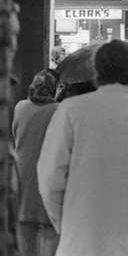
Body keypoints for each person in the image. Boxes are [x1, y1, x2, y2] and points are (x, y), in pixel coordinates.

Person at [37, 40, 128, 256]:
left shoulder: (71, 111)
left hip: (80, 239)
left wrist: (63, 221)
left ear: (98, 71)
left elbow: (49, 176)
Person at [12, 69, 60, 256]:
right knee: (50, 231)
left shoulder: (20, 107)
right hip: (49, 177)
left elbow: (16, 136)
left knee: (25, 232)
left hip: (23, 176)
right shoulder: (59, 110)